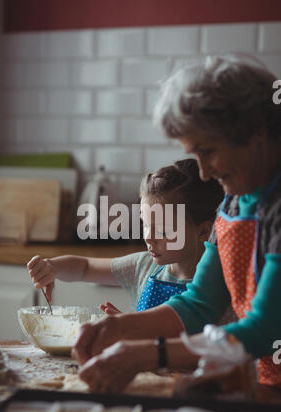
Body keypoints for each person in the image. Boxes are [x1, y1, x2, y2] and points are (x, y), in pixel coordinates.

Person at [72, 53, 281, 393]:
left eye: (209, 150)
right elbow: (199, 302)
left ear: (256, 131)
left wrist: (148, 355)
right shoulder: (235, 198)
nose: (204, 172)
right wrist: (118, 328)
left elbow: (266, 328)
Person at [27, 159, 224, 323]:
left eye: (162, 230)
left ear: (204, 231)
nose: (148, 236)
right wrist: (52, 267)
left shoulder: (219, 283)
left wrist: (132, 327)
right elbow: (85, 267)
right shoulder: (144, 266)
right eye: (146, 225)